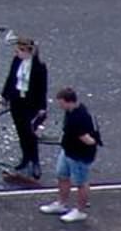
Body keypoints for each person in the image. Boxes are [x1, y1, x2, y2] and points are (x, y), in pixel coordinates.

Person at [40, 87, 99, 223]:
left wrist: (87, 142)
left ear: (68, 102)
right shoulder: (71, 111)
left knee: (81, 183)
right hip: (67, 151)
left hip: (78, 155)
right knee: (62, 176)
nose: (59, 106)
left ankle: (80, 211)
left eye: (61, 103)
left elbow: (88, 139)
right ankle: (61, 203)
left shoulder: (80, 117)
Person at [1, 36, 48, 179]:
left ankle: (35, 161)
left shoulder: (39, 67)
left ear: (28, 52)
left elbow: (42, 88)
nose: (17, 54)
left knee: (30, 133)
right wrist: (5, 96)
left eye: (19, 51)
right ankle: (25, 158)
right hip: (17, 101)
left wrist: (42, 107)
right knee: (21, 131)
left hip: (31, 102)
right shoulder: (17, 61)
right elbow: (11, 78)